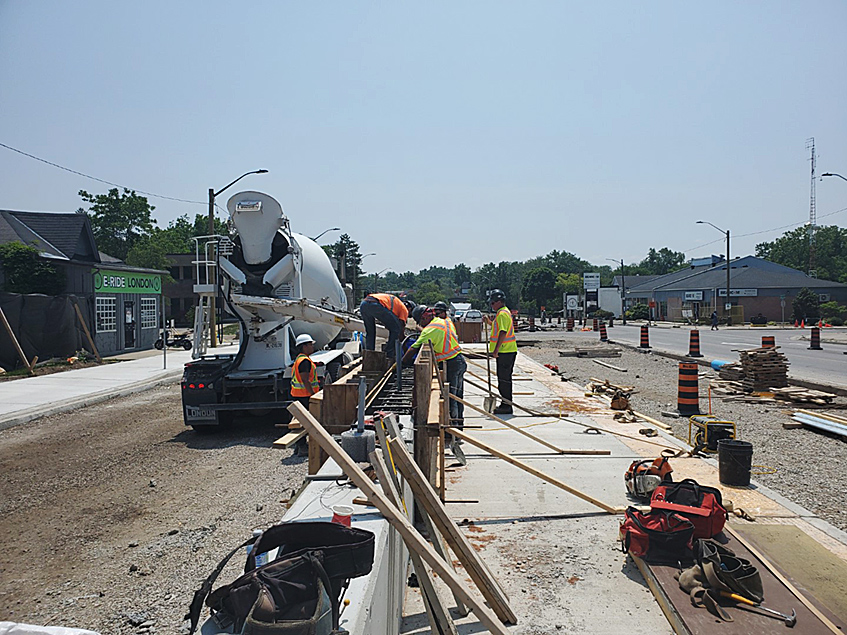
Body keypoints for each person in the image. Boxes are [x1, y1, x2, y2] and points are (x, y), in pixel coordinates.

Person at [402, 305, 466, 433]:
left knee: (451, 398)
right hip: (459, 360)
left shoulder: (430, 330)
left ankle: (453, 431)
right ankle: (459, 427)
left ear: (425, 317)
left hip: (450, 364)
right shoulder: (443, 321)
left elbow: (413, 348)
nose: (421, 324)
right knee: (458, 397)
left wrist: (401, 363)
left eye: (420, 321)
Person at [484, 289, 517, 415]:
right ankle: (505, 403)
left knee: (504, 381)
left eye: (492, 303)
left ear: (499, 302)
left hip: (505, 352)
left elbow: (503, 332)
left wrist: (496, 350)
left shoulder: (502, 314)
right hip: (507, 352)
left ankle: (506, 405)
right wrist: (489, 323)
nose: (491, 305)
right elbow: (498, 328)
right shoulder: (503, 313)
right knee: (503, 379)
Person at [290, 333, 320, 455]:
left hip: (298, 394)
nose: (312, 347)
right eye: (310, 345)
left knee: (300, 420)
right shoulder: (304, 361)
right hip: (304, 396)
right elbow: (305, 379)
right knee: (305, 422)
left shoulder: (299, 359)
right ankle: (302, 447)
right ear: (304, 346)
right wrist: (313, 394)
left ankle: (300, 445)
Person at [359, 293, 408, 359]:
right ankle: (389, 354)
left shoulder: (395, 304)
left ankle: (369, 354)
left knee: (370, 332)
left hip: (364, 304)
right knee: (396, 329)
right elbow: (401, 327)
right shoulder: (405, 309)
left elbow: (388, 322)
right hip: (375, 304)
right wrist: (403, 340)